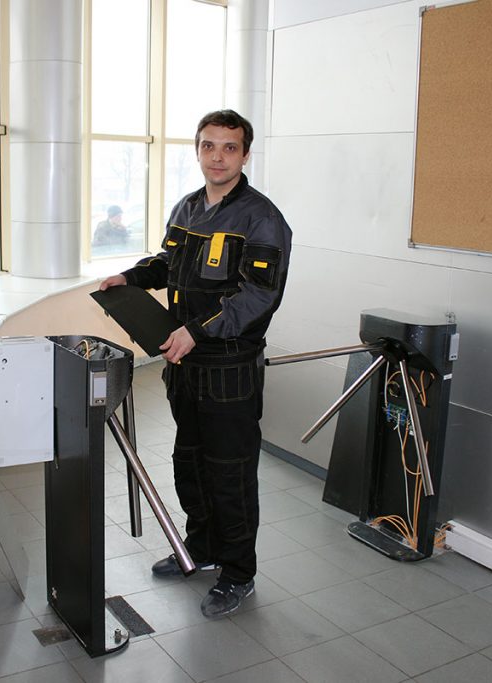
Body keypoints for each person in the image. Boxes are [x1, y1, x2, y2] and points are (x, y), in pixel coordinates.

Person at [98, 110, 292, 618]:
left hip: (228, 367)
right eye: (209, 146)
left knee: (230, 473)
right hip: (184, 363)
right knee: (191, 462)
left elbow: (258, 295)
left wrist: (198, 330)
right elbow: (168, 264)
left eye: (229, 147)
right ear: (198, 150)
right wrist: (130, 277)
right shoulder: (187, 206)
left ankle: (238, 573)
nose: (217, 157)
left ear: (245, 154)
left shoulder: (261, 218)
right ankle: (202, 548)